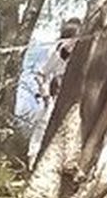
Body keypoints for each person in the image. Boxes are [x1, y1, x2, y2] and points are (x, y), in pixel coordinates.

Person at [27, 17, 82, 165]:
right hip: (54, 96)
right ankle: (33, 161)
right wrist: (45, 94)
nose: (73, 42)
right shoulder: (57, 53)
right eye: (71, 38)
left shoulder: (82, 57)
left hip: (73, 99)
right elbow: (41, 74)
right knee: (44, 126)